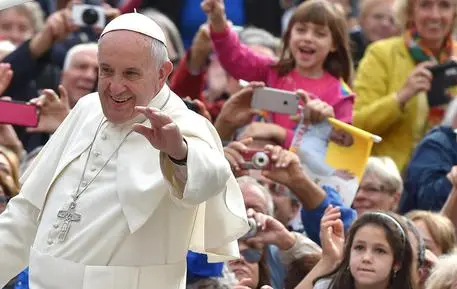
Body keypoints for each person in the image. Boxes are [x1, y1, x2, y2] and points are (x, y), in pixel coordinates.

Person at [0, 12, 249, 289]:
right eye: (106, 70)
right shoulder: (86, 109)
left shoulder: (183, 124)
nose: (115, 87)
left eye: (130, 73)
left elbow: (211, 178)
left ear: (162, 73)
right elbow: (26, 213)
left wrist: (178, 152)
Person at [202, 0, 354, 149]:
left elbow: (339, 154)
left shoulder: (341, 95)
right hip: (257, 162)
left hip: (302, 172)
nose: (308, 38)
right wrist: (218, 20)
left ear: (334, 44)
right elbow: (235, 57)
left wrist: (279, 133)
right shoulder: (273, 70)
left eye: (319, 34)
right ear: (289, 35)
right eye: (301, 30)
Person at [295, 207, 417, 289]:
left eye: (380, 250)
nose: (366, 258)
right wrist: (328, 259)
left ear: (397, 263)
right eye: (359, 248)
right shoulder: (326, 286)